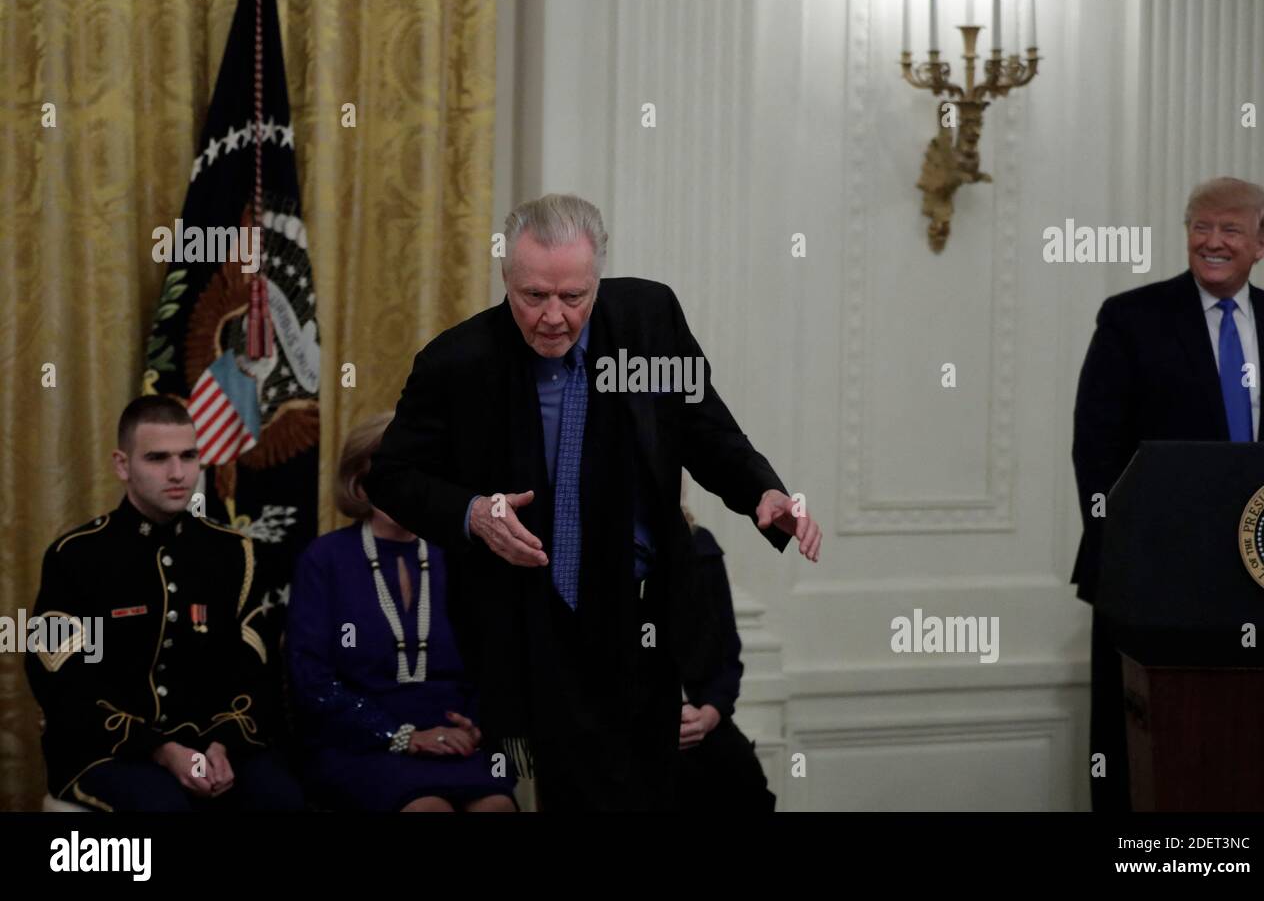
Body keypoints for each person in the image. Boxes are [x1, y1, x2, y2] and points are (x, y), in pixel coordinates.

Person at [365, 193, 822, 811]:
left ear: (596, 280)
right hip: (536, 621)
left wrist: (762, 491)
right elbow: (390, 477)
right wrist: (472, 511)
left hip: (642, 616)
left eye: (573, 297)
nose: (553, 316)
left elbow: (703, 429)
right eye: (533, 297)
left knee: (652, 794)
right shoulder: (459, 363)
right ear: (506, 278)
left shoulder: (648, 320)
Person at [1071, 177, 1264, 811]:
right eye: (1201, 227)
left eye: (1231, 229)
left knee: (1256, 752)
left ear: (1263, 242)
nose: (1213, 241)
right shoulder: (1132, 319)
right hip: (1155, 581)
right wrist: (1125, 550)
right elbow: (1096, 450)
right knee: (1148, 759)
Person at [25, 396, 303, 811]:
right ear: (123, 465)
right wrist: (158, 748)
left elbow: (255, 672)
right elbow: (60, 682)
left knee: (282, 799)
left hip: (216, 745)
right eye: (157, 458)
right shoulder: (75, 556)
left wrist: (223, 744)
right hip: (109, 750)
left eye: (188, 456)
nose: (178, 474)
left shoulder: (235, 554)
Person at [287, 412, 516, 812]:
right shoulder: (325, 559)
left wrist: (476, 725)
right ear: (360, 480)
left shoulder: (461, 557)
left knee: (496, 804)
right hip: (361, 743)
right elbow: (311, 681)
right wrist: (400, 735)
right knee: (427, 808)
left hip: (454, 741)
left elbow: (494, 662)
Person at [676, 504, 777, 811]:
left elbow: (728, 655)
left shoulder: (701, 548)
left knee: (745, 780)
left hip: (702, 718)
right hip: (631, 726)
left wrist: (709, 713)